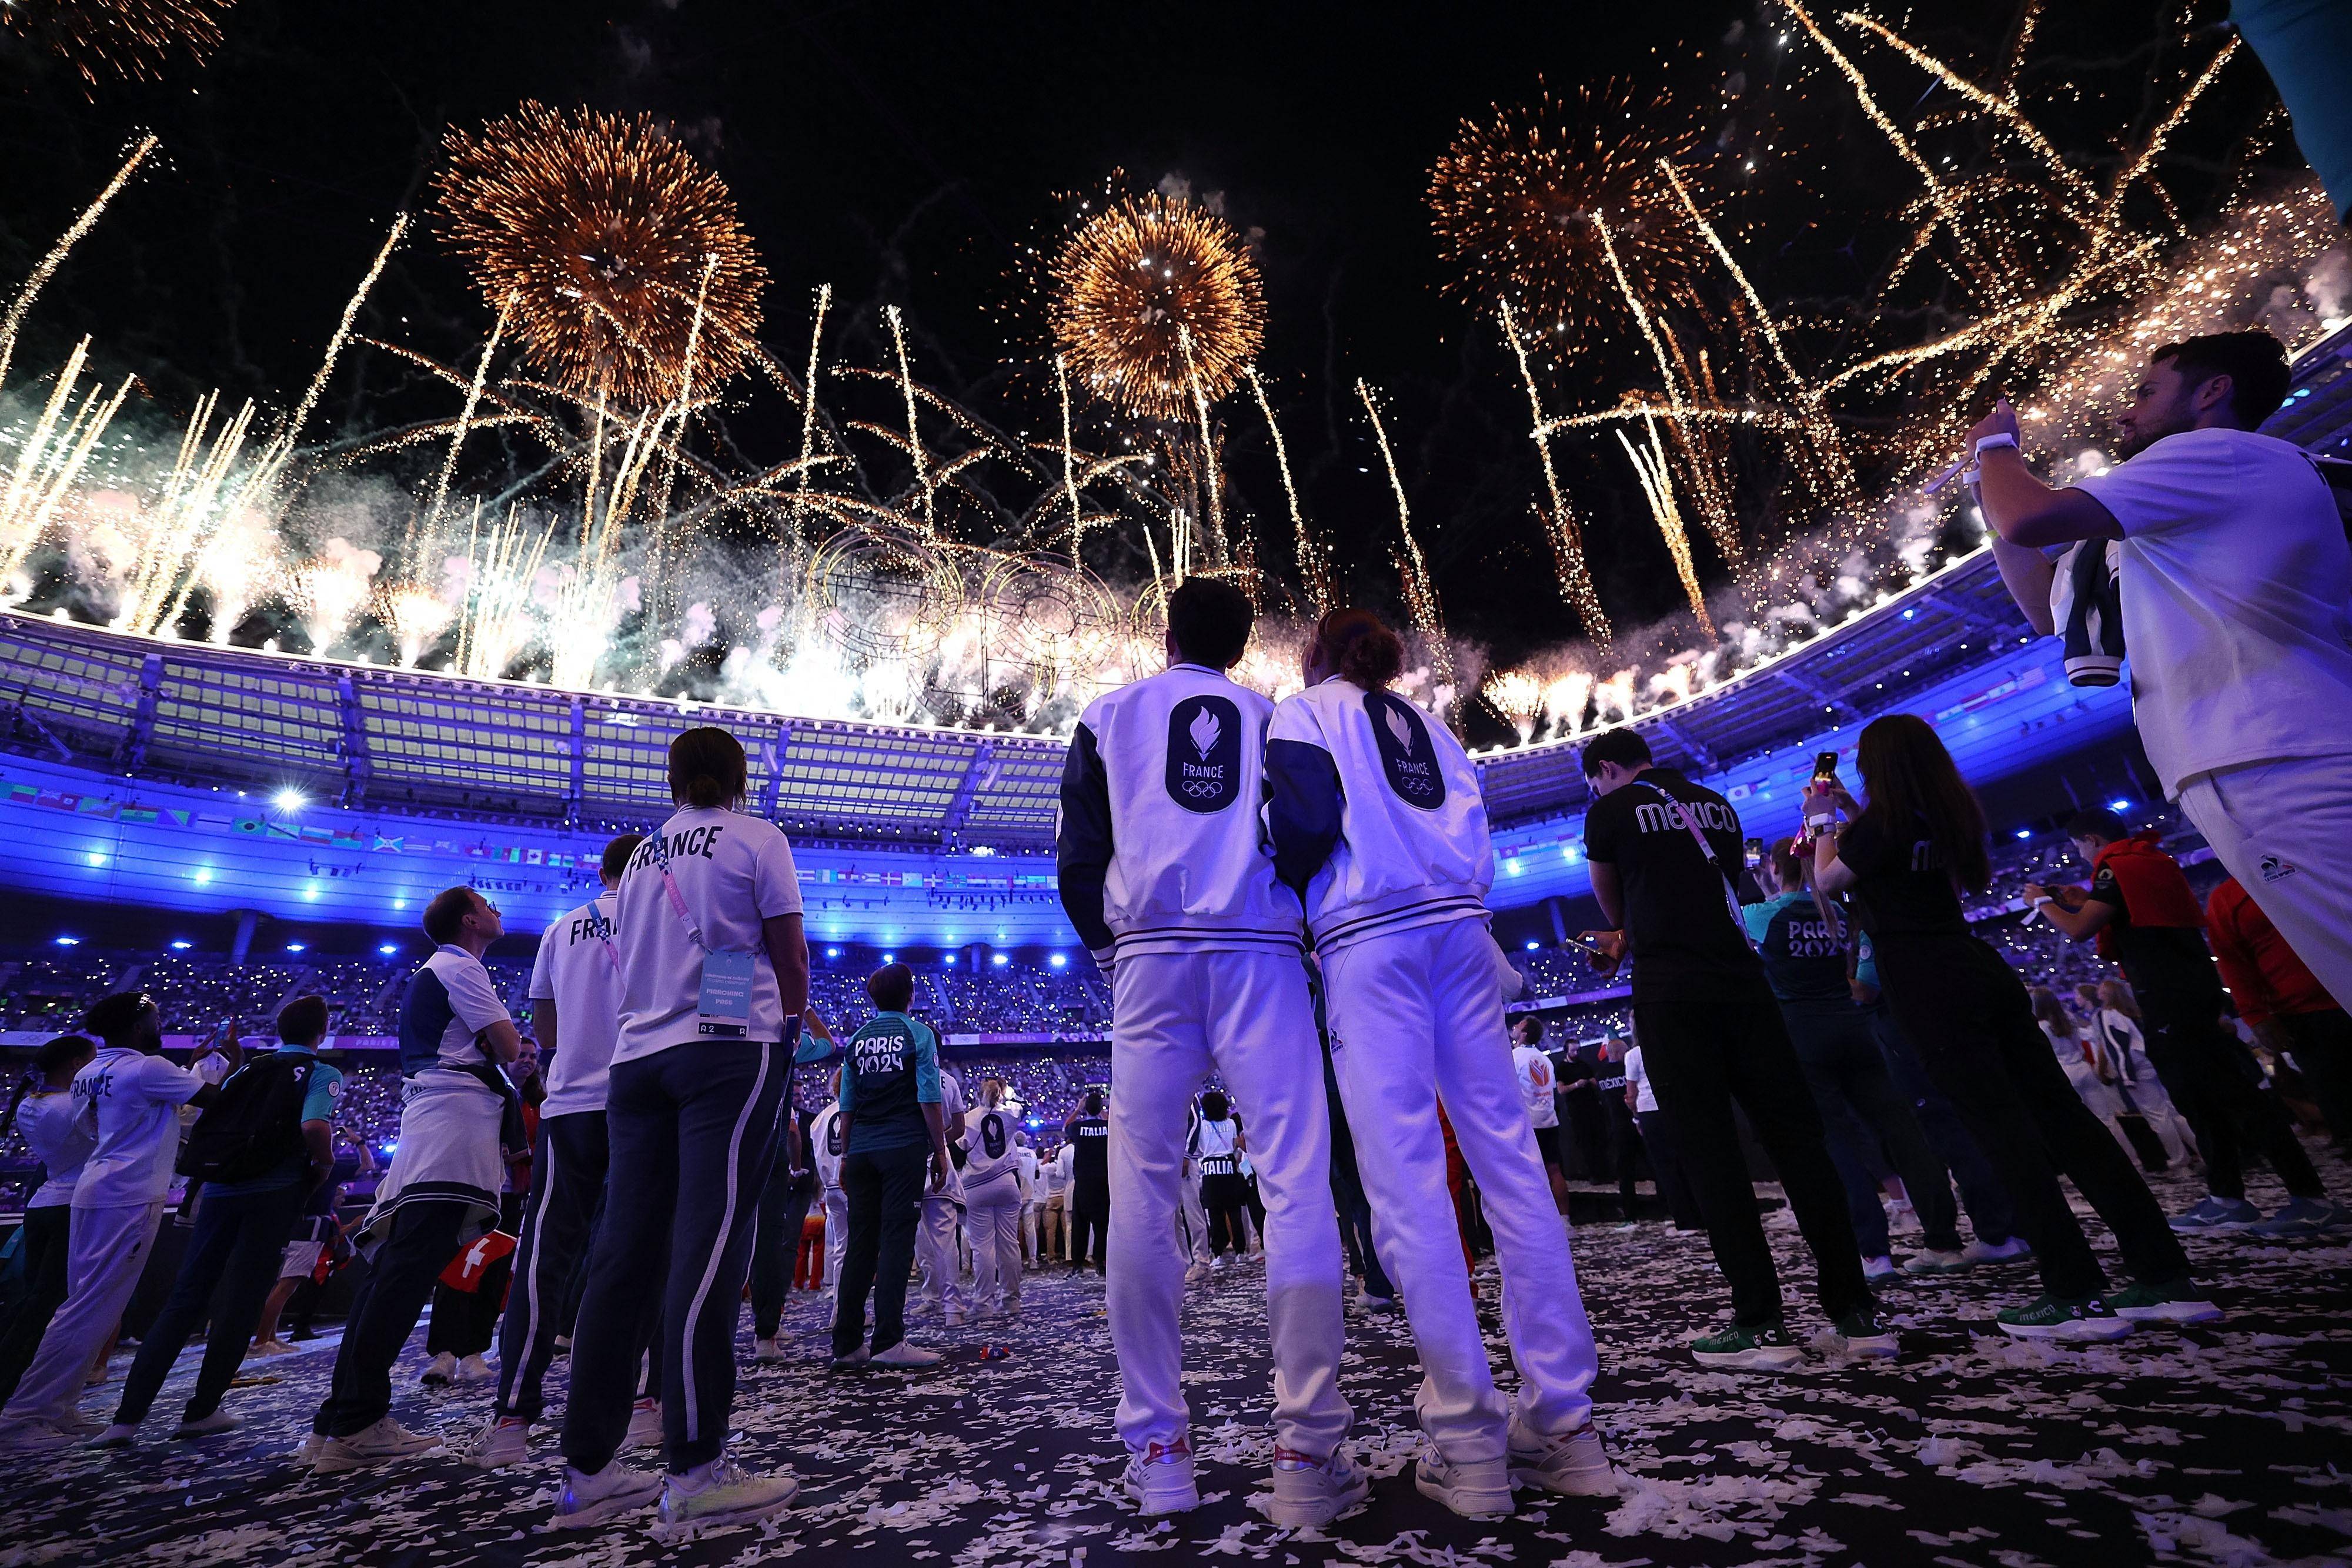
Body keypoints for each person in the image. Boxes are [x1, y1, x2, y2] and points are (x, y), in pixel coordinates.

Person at [1269, 606, 1609, 1518]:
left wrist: (1279, 872)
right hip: (1463, 933)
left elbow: (1302, 823)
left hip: (1370, 940)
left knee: (1409, 1182)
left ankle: (1469, 1440)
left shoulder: (1305, 712)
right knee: (1512, 1165)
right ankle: (1569, 1427)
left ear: (1316, 658)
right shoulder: (1432, 725)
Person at [1057, 576, 1362, 1527]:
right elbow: (1316, 822)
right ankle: (1305, 1452)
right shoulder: (1274, 716)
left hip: (1149, 957)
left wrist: (1115, 949)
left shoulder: (1109, 715)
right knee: (1297, 1186)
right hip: (1260, 953)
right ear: (1240, 645)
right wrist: (1270, 881)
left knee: (1143, 1194)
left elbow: (1075, 858)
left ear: (1167, 636)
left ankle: (1159, 1450)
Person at [1972, 332, 2352, 1013]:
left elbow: (2028, 518)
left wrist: (1996, 448)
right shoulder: (2180, 515)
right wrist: (1986, 484)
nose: (2126, 413)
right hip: (2264, 755)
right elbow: (2039, 598)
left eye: (2146, 393)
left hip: (2277, 754)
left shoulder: (2217, 453)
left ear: (2213, 392)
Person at [1809, 714, 2211, 1338]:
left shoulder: (1881, 825)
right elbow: (1891, 856)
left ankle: (2073, 1288)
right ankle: (2161, 1271)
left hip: (1925, 979)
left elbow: (1828, 878)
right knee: (2064, 1122)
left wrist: (1822, 821)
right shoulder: (1941, 813)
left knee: (2003, 1136)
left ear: (1874, 765)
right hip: (1974, 964)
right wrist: (1853, 812)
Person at [554, 727, 810, 1530]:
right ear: (737, 776)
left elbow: (641, 964)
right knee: (709, 1246)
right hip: (725, 1056)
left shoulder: (639, 858)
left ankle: (589, 1466)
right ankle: (695, 1464)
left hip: (639, 1060)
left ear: (672, 778)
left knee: (622, 1254)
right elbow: (787, 955)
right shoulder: (756, 836)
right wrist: (787, 1019)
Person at [1574, 726, 1889, 1369]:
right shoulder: (1715, 803)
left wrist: (1620, 935)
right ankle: (1854, 1311)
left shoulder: (1607, 810)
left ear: (1605, 768)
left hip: (1672, 993)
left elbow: (1614, 911)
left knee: (1710, 1152)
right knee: (1800, 1146)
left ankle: (1759, 1321)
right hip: (1746, 988)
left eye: (1594, 779)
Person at [2024, 808, 2338, 1233]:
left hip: (2169, 996)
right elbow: (2130, 912)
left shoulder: (2116, 866)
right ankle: (2227, 1195)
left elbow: (2079, 929)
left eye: (2079, 846)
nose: (2080, 854)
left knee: (2232, 1094)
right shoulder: (2150, 860)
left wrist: (2040, 902)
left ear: (2092, 840)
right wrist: (2085, 899)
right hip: (2188, 990)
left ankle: (2308, 1195)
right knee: (2200, 1099)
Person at [307, 887, 522, 1473]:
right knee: (404, 1277)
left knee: (391, 1275)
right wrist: (513, 1048)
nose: (499, 912)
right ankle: (355, 1422)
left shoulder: (438, 969)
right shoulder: (461, 965)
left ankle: (336, 1423)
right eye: (490, 904)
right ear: (470, 919)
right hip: (452, 1126)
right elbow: (508, 1047)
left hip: (431, 1121)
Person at [460, 833, 648, 1469]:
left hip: (570, 1107)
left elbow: (544, 1030)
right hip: (641, 1103)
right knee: (644, 1256)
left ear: (601, 871)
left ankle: (512, 1418)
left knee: (545, 1258)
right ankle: (646, 1405)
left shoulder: (560, 929)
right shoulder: (673, 916)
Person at [95, 995, 345, 1447]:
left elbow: (216, 1113)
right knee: (240, 1303)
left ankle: (126, 1417)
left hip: (221, 1188)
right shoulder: (321, 1072)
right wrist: (324, 1165)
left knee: (184, 1298)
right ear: (321, 1032)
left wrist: (235, 1063)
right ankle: (202, 1409)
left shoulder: (248, 1070)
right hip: (272, 1192)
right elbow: (314, 1126)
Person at [0, 995, 219, 1451]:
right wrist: (233, 1069)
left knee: (88, 1304)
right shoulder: (148, 1067)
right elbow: (216, 1100)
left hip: (94, 1187)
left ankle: (57, 1406)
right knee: (89, 1308)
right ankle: (25, 1415)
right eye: (155, 1018)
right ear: (139, 1026)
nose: (160, 1023)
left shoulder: (87, 1073)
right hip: (128, 1194)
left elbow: (100, 1125)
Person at [1746, 837, 1972, 1277]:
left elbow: (1745, 922)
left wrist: (1759, 880)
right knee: (1902, 1131)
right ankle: (1944, 1239)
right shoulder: (1839, 912)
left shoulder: (1762, 914)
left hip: (1803, 1031)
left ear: (1774, 868)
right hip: (1853, 1026)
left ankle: (1873, 1252)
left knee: (1836, 1142)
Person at [831, 963, 953, 1372]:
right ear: (910, 995)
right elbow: (929, 1097)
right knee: (897, 1241)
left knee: (861, 1245)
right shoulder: (918, 1034)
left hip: (861, 1149)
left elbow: (846, 1105)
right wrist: (940, 1150)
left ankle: (847, 1343)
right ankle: (888, 1339)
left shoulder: (857, 1040)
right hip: (901, 1148)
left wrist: (846, 1156)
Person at [2207, 872, 2352, 1152]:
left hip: (2330, 995)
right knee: (2336, 1093)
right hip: (2302, 1011)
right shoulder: (2227, 897)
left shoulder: (2310, 862)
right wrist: (2257, 1015)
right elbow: (2234, 964)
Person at [0, 1035, 98, 1404]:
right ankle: (21, 1395)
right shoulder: (71, 1107)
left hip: (44, 1203)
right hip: (70, 1206)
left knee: (35, 1303)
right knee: (53, 1308)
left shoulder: (31, 1103)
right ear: (75, 1065)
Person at [251, 1128, 371, 1356]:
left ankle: (271, 1337)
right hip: (310, 1227)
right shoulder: (326, 1166)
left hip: (293, 1224)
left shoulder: (296, 1164)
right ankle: (261, 1341)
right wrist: (359, 1142)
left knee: (282, 1285)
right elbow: (367, 1166)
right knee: (287, 1285)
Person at [2084, 982, 2199, 1171]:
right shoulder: (2132, 1010)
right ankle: (2200, 1149)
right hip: (2151, 1064)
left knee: (2157, 1116)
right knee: (2173, 1111)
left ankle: (2179, 1157)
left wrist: (2126, 1075)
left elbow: (2117, 1047)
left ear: (2105, 995)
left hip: (2136, 1069)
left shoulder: (2108, 1016)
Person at [1621, 1035, 1705, 1232]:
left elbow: (1631, 1094)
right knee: (1686, 1163)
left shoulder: (1633, 1055)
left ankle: (1684, 1221)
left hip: (1650, 1111)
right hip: (1675, 1108)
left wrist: (1635, 1117)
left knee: (1666, 1168)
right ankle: (1701, 1215)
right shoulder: (1667, 1044)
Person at [960, 1076, 1026, 1320]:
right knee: (1009, 1244)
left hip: (977, 1186)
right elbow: (1022, 1103)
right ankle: (1012, 1301)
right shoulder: (1010, 1114)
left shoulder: (968, 1119)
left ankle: (984, 1304)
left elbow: (958, 1152)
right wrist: (1007, 1092)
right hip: (1007, 1182)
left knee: (982, 1248)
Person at [916, 1059, 970, 1326]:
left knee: (917, 1240)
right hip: (941, 1162)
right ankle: (951, 1307)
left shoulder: (906, 1073)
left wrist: (929, 1143)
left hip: (912, 1161)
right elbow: (958, 1128)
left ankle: (933, 1297)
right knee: (944, 1241)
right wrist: (939, 1143)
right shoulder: (949, 1080)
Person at [1509, 1017, 1571, 1213]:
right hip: (1549, 1120)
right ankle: (1565, 1221)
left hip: (1529, 1124)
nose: (1514, 1026)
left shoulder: (1515, 1057)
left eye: (1519, 1024)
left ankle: (1540, 1221)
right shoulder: (1545, 1059)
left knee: (1529, 1175)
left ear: (1524, 1034)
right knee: (1555, 1170)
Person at [1188, 1091, 1251, 1264]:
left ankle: (1217, 1253)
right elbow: (1233, 1145)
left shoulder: (1203, 1126)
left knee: (1215, 1214)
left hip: (1210, 1171)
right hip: (1229, 1168)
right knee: (1234, 1212)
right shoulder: (1231, 1123)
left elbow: (1200, 1148)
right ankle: (1240, 1251)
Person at [810, 1062, 850, 1299]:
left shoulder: (820, 1119)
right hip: (853, 1184)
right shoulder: (858, 1111)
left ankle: (840, 1304)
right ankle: (849, 1306)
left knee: (841, 1247)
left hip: (831, 1188)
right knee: (858, 1248)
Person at [1064, 1092, 1110, 1273]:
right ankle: (1101, 1263)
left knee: (1080, 1225)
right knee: (1102, 1226)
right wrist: (1102, 1111)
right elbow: (1112, 1124)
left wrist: (1078, 1109)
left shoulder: (1078, 1128)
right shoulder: (1108, 1127)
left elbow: (1065, 1126)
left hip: (1083, 1182)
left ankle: (1078, 1265)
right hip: (1103, 1182)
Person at [1038, 1137, 1069, 1265]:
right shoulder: (1066, 1168)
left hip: (1052, 1199)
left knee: (1051, 1231)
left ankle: (1051, 1257)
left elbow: (1040, 1167)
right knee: (1067, 1229)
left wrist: (1048, 1155)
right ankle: (1069, 1255)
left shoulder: (1051, 1167)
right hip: (1064, 1197)